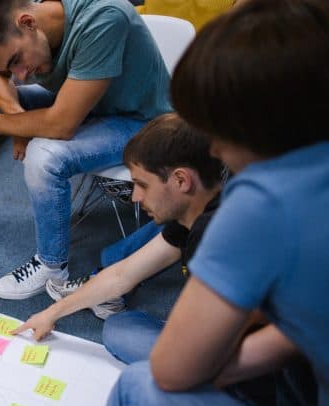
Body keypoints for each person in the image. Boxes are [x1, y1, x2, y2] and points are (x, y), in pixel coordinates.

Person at [78, 0, 329, 406]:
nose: (214, 149)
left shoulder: (259, 202)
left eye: (217, 129)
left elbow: (171, 372)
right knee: (125, 325)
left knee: (138, 392)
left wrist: (204, 388)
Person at [0, 0, 172, 300]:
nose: (21, 75)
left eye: (17, 60)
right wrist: (16, 120)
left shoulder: (104, 18)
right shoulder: (27, 27)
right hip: (84, 103)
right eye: (12, 67)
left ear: (28, 23)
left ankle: (52, 266)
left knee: (44, 154)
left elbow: (62, 124)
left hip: (140, 122)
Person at [13, 113, 223, 364]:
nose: (135, 197)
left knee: (130, 348)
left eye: (142, 185)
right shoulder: (190, 218)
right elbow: (122, 275)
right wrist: (51, 314)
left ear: (181, 180)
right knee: (120, 326)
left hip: (230, 357)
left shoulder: (217, 238)